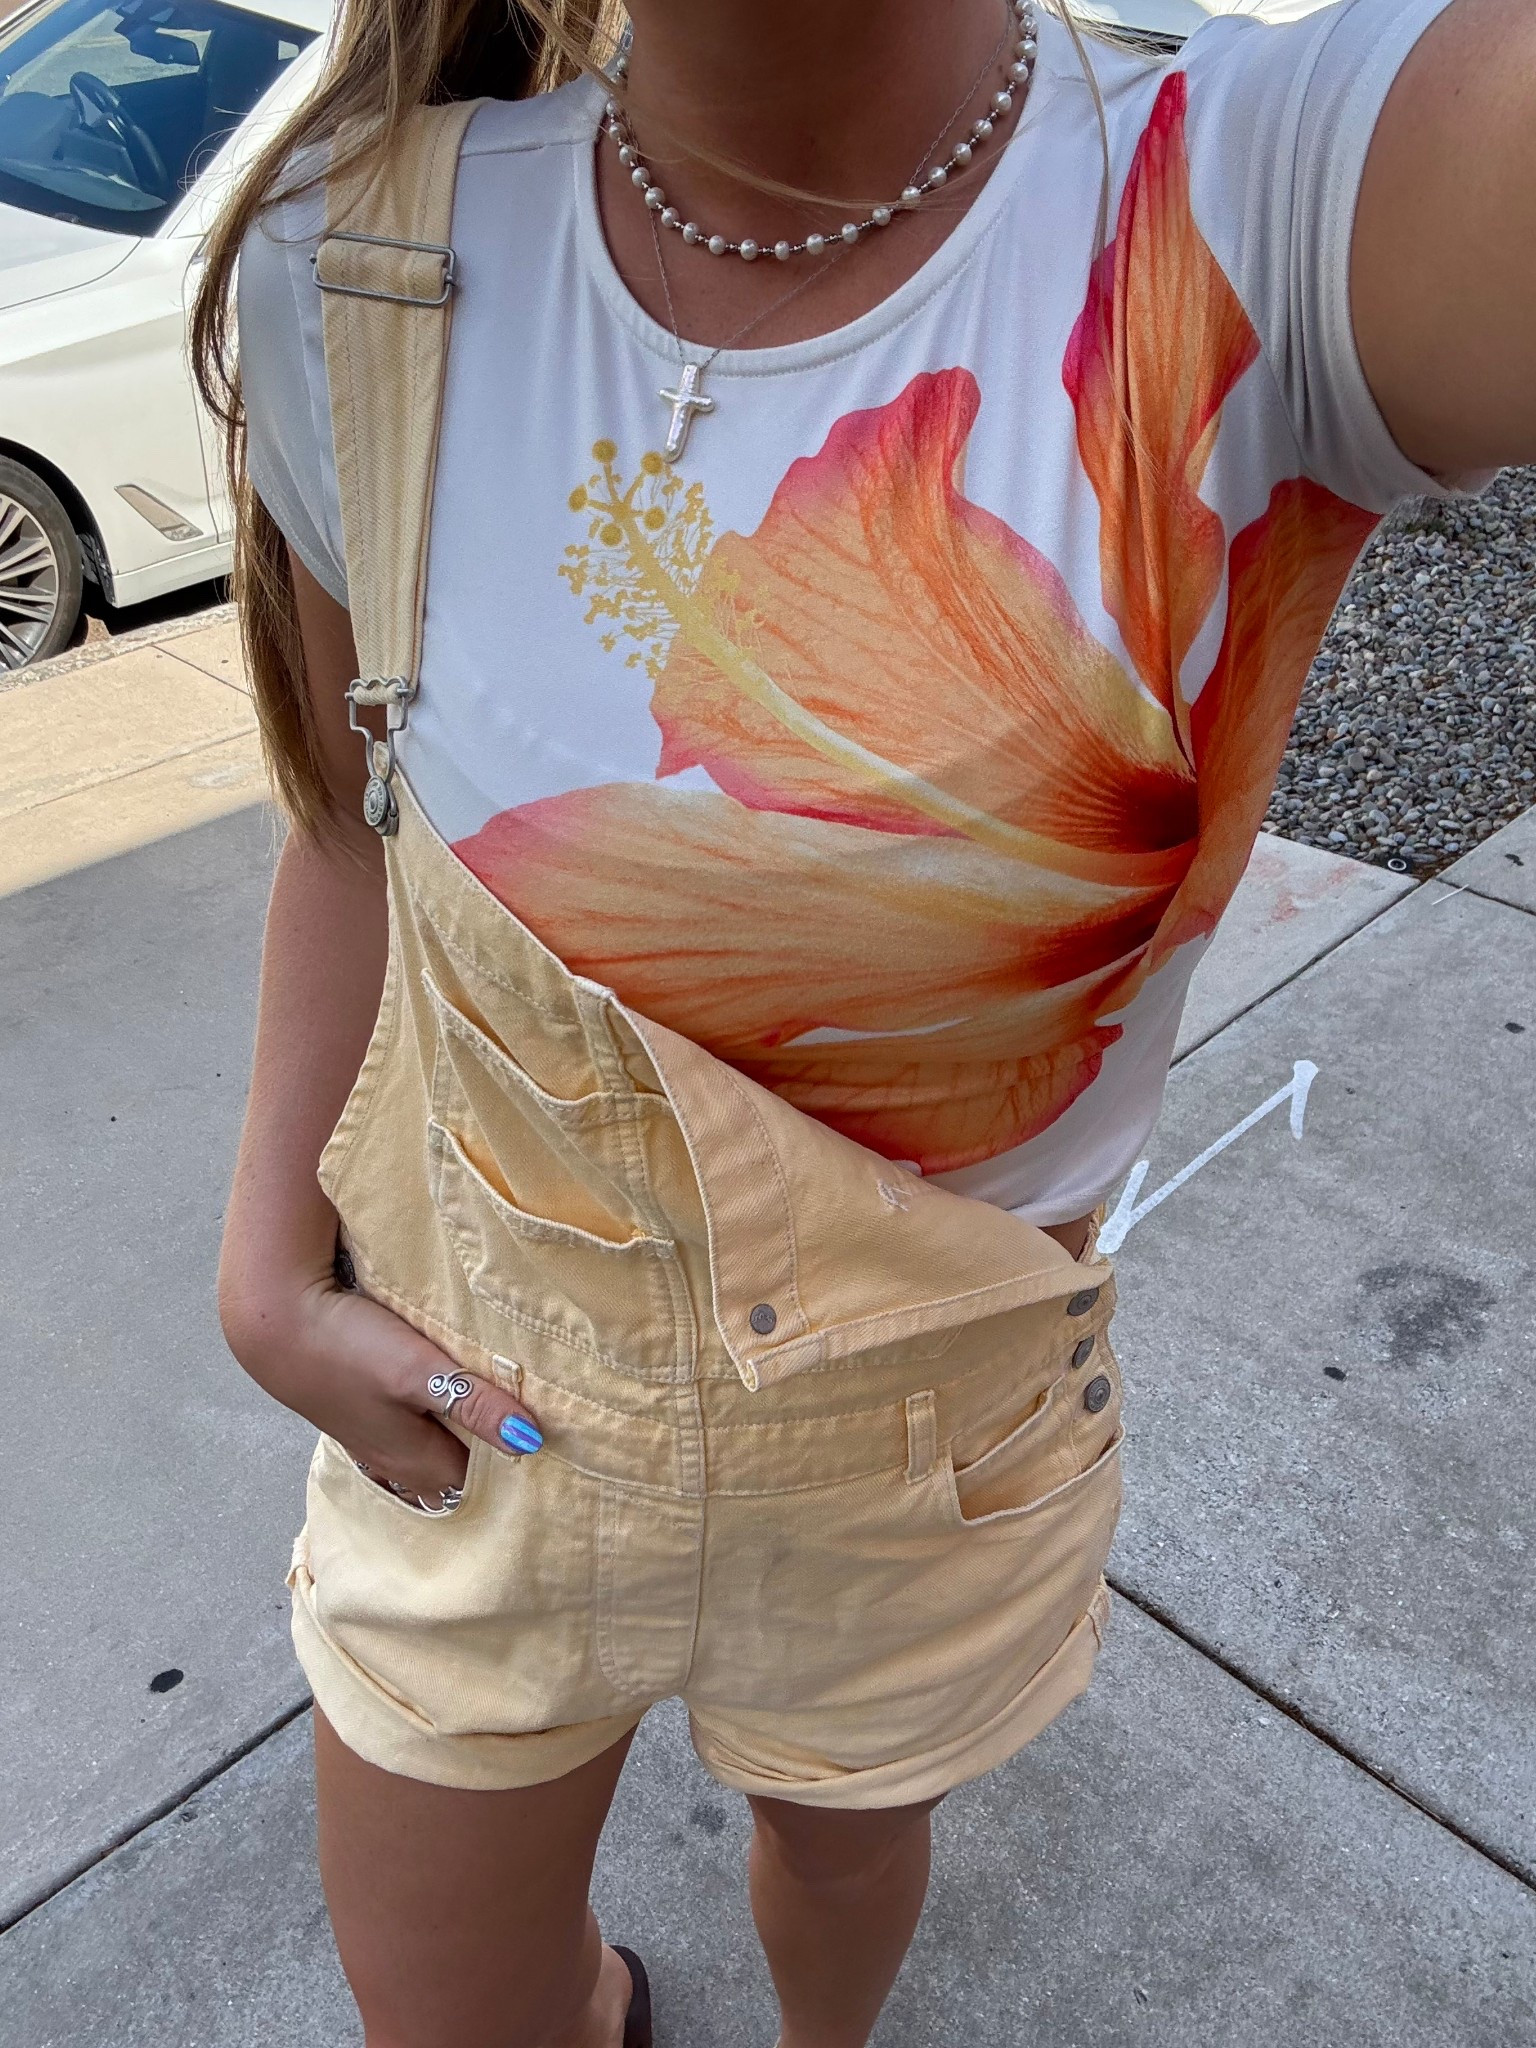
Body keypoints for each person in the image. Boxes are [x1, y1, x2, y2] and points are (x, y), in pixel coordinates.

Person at [192, 0, 1532, 2040]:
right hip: (484, 1390)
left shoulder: (1260, 195)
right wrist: (263, 1258)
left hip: (927, 1431)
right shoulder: (361, 259)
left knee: (840, 1855)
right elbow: (351, 815)